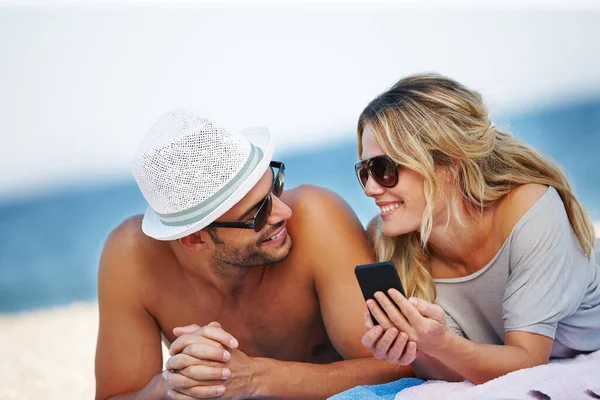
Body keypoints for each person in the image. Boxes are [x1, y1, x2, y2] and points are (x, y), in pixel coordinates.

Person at [94, 110, 408, 400]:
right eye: (258, 214)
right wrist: (174, 382)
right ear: (193, 238)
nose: (284, 211)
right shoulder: (132, 257)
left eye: (276, 187)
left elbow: (402, 367)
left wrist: (257, 377)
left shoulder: (317, 218)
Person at [354, 74, 600, 384]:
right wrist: (417, 350)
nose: (370, 189)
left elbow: (528, 359)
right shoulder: (391, 240)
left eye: (384, 169)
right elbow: (457, 368)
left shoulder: (528, 208)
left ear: (451, 163)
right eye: (365, 171)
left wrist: (443, 344)